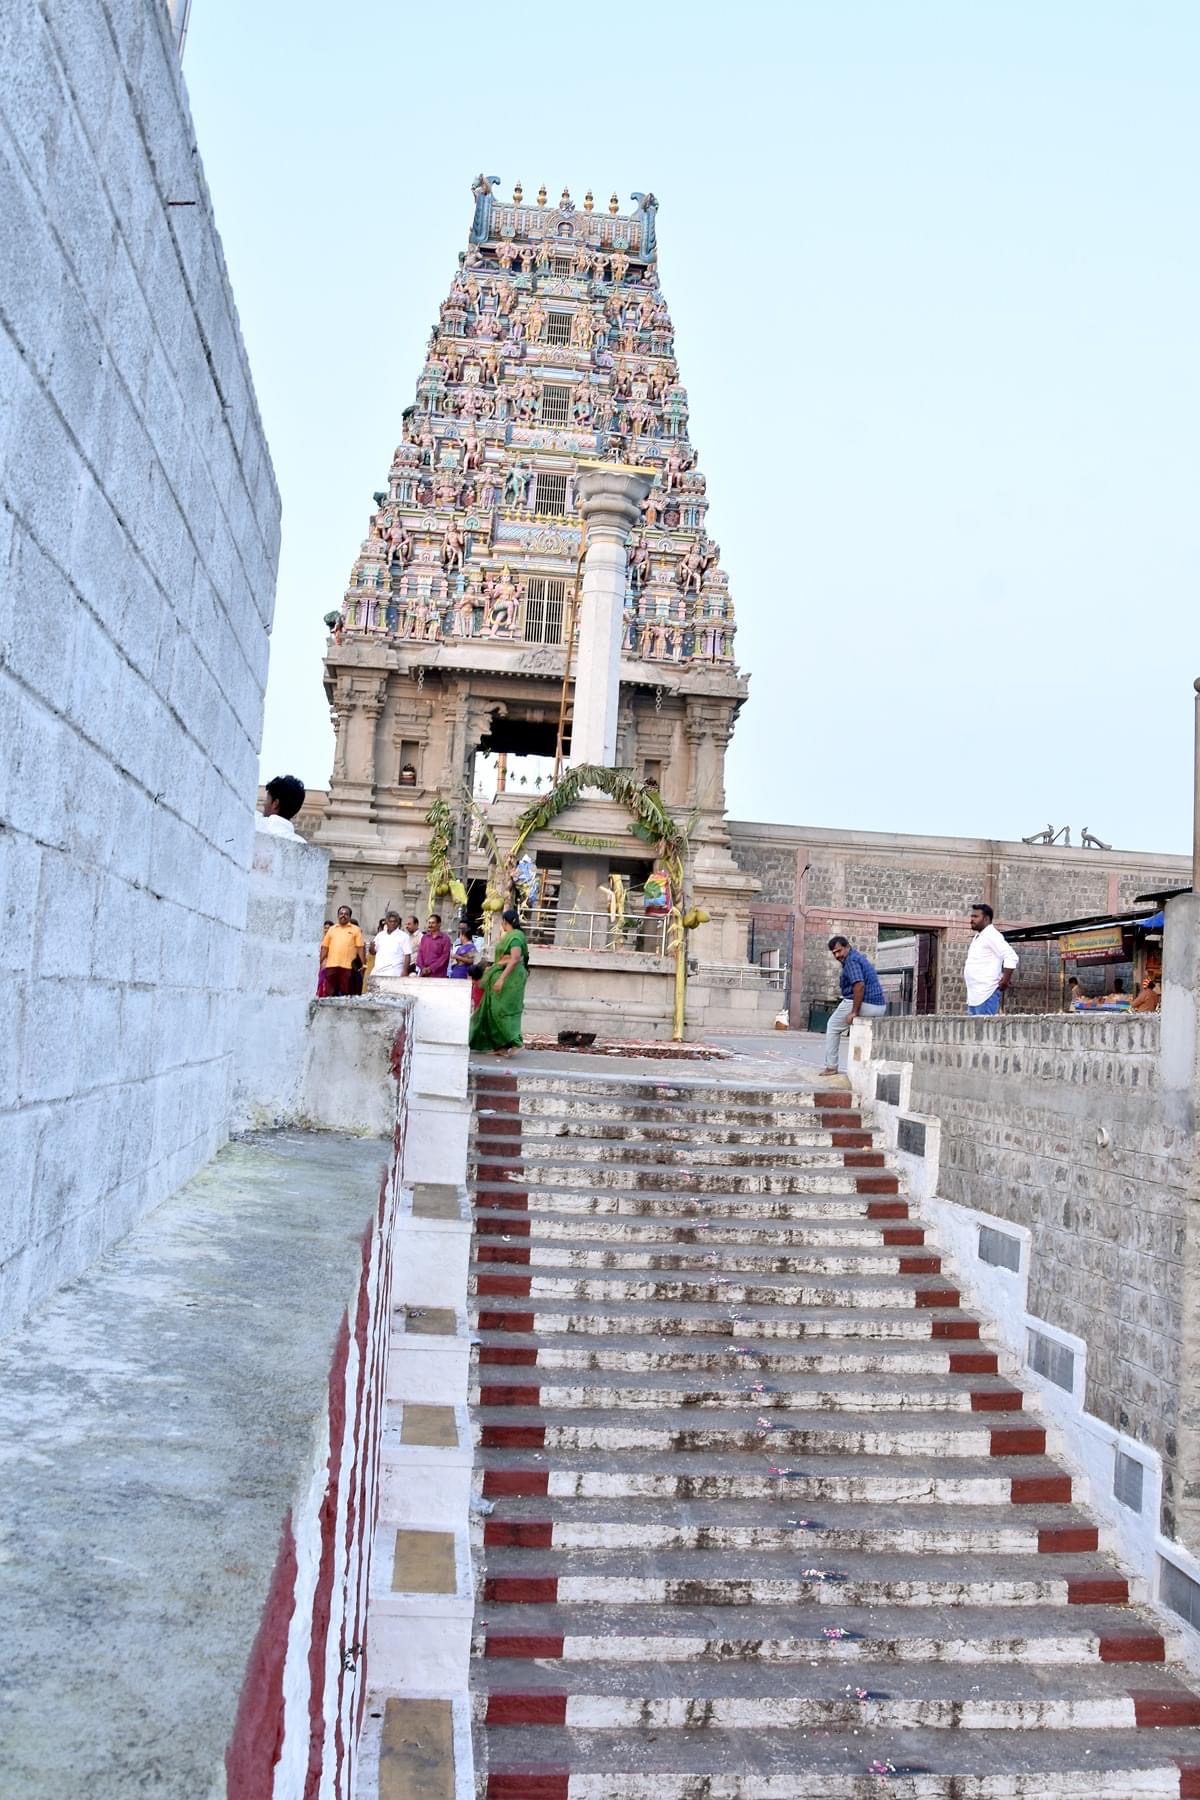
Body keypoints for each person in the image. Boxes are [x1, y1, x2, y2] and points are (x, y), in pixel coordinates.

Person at [822, 936, 888, 1074]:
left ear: (847, 947)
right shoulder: (858, 957)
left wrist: (854, 1012)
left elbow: (859, 985)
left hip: (865, 1003)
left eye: (839, 951)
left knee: (832, 1026)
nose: (837, 956)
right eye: (834, 953)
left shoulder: (851, 961)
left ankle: (831, 1066)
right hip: (879, 1006)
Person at [470, 906, 529, 1054]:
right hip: (501, 977)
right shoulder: (509, 936)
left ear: (505, 921)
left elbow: (515, 958)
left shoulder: (516, 937)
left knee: (501, 1011)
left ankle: (516, 1042)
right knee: (490, 1009)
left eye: (502, 921)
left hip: (511, 980)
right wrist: (494, 967)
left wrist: (501, 978)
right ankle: (500, 1046)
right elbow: (505, 958)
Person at [964, 903, 1018, 1015]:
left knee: (985, 1026)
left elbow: (1011, 956)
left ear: (986, 919)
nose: (972, 919)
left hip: (986, 994)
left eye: (976, 916)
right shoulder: (979, 936)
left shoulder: (992, 935)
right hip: (974, 995)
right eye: (972, 916)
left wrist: (1005, 980)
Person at [320, 906, 365, 998]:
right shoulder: (332, 929)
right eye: (341, 914)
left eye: (346, 914)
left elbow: (360, 949)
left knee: (345, 995)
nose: (343, 916)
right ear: (338, 915)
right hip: (331, 966)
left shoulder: (356, 930)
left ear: (349, 917)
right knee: (330, 994)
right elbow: (325, 947)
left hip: (348, 968)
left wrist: (362, 965)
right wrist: (320, 962)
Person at [370, 910, 413, 984]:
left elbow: (407, 955)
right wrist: (372, 948)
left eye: (395, 921)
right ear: (386, 922)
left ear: (398, 922)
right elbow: (373, 952)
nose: (392, 923)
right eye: (390, 921)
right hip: (377, 970)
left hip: (394, 971)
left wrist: (405, 971)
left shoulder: (404, 936)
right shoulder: (380, 935)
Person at [258, 773, 306, 838]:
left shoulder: (257, 825)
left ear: (275, 804)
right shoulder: (300, 841)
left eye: (267, 799)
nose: (264, 804)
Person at [414, 913, 452, 978]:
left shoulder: (445, 939)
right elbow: (420, 953)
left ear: (439, 924)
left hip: (438, 975)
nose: (430, 925)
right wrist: (422, 968)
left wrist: (431, 968)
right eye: (429, 923)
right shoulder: (424, 938)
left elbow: (444, 957)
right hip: (423, 974)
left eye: (433, 923)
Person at [316, 920, 333, 996]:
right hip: (321, 964)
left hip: (328, 964)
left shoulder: (333, 941)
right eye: (325, 928)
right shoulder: (321, 940)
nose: (326, 930)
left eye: (328, 928)